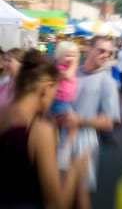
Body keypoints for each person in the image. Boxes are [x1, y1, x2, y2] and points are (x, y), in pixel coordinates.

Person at [0, 48, 88, 209]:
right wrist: (75, 170)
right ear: (46, 88)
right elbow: (56, 204)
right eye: (54, 92)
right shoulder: (39, 132)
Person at [57, 35, 121, 204]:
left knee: (80, 193)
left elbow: (109, 121)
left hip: (85, 141)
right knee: (59, 188)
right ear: (89, 49)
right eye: (101, 50)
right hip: (60, 135)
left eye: (109, 52)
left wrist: (79, 120)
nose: (106, 55)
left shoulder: (108, 82)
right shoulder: (71, 73)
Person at [49, 41, 80, 169]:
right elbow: (67, 76)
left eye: (73, 55)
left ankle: (62, 148)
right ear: (59, 56)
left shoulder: (68, 69)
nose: (70, 59)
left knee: (65, 127)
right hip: (59, 101)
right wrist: (75, 63)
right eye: (67, 55)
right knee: (70, 125)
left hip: (66, 102)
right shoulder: (59, 69)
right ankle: (63, 151)